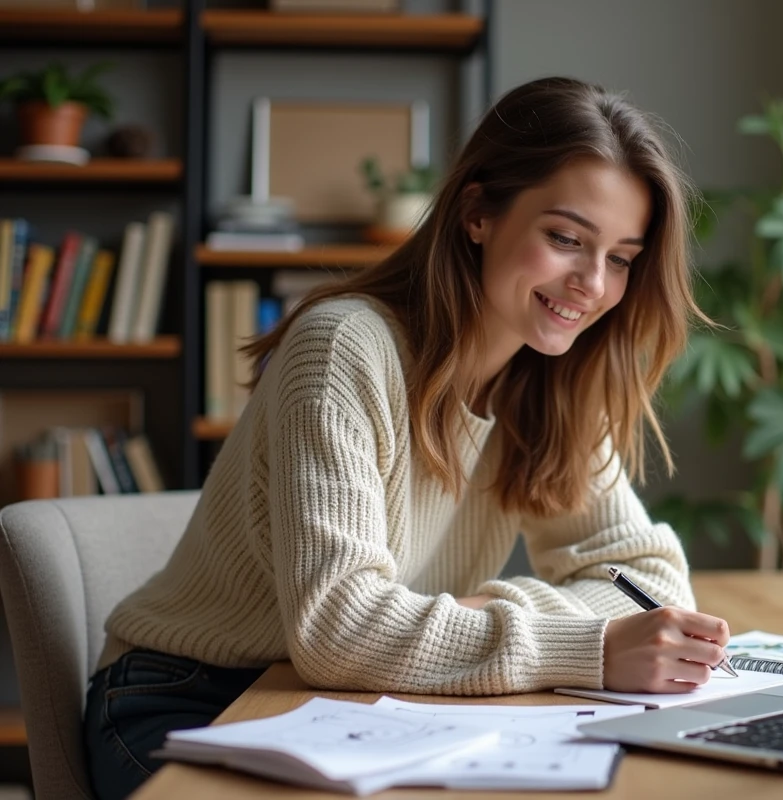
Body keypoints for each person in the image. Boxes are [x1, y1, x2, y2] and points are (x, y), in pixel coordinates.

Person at [83, 76, 731, 799]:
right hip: (192, 698)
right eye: (565, 239)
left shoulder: (554, 383)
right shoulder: (343, 350)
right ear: (478, 213)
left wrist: (483, 614)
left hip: (362, 703)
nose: (593, 284)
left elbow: (650, 583)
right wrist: (587, 645)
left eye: (620, 258)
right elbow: (341, 631)